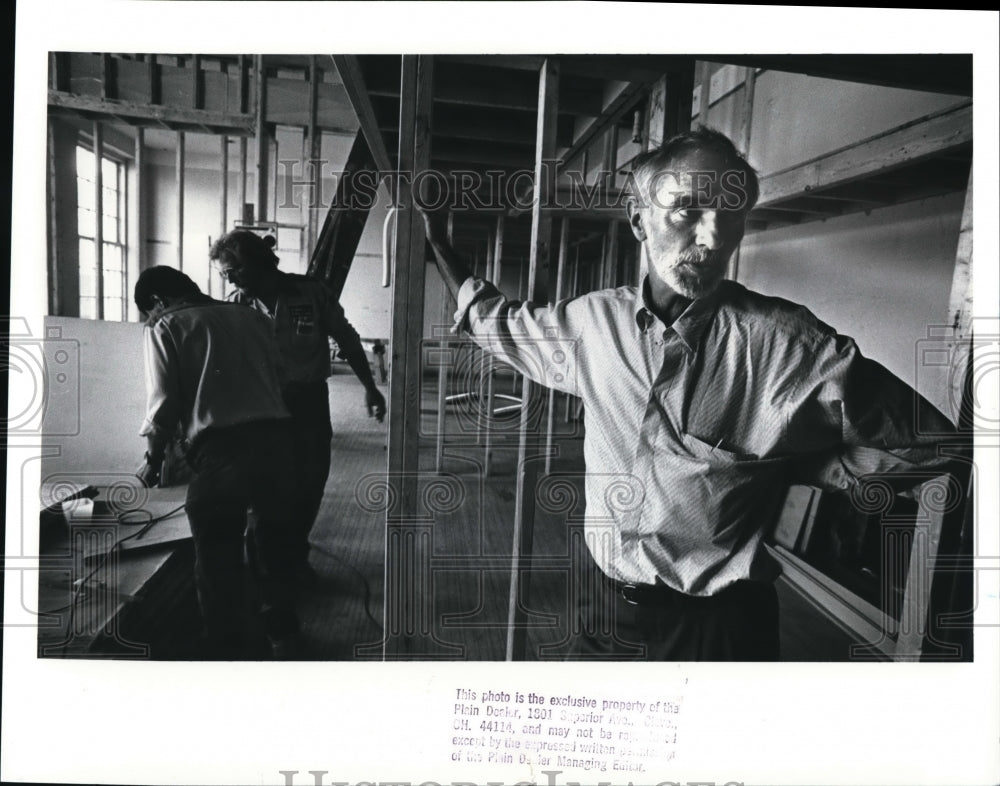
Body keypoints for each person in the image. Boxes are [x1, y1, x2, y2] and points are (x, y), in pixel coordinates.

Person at [421, 126, 962, 661]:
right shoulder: (593, 324)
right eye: (687, 209)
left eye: (730, 215)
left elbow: (939, 448)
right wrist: (438, 242)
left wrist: (806, 465)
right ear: (639, 221)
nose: (712, 238)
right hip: (602, 607)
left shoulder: (789, 346)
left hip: (716, 633)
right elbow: (496, 323)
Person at [134, 265, 300, 659]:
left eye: (148, 311)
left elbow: (163, 406)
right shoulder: (255, 316)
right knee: (274, 549)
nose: (149, 320)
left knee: (217, 558)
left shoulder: (166, 326)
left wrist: (152, 459)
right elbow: (283, 378)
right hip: (280, 444)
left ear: (157, 302)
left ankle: (231, 654)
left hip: (224, 454)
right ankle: (284, 633)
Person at [209, 231, 387, 585]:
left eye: (232, 271)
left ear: (257, 262)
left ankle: (295, 553)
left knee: (310, 481)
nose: (228, 279)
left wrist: (370, 387)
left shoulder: (311, 293)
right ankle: (264, 569)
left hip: (308, 401)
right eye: (224, 274)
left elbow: (348, 339)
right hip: (260, 407)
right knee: (265, 487)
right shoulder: (236, 308)